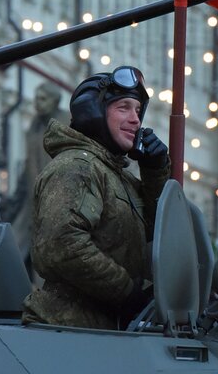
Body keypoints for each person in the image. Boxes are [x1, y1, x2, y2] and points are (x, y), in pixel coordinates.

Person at [21, 66, 171, 330]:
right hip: (67, 330)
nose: (136, 120)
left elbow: (153, 233)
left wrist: (155, 171)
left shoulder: (113, 174)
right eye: (123, 107)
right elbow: (61, 245)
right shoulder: (77, 167)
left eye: (137, 110)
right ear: (94, 113)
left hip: (98, 329)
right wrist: (126, 293)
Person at [10, 82, 69, 261]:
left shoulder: (67, 122)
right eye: (36, 98)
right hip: (33, 196)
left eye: (43, 99)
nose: (37, 102)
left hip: (59, 196)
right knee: (16, 243)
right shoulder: (35, 124)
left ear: (55, 101)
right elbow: (29, 162)